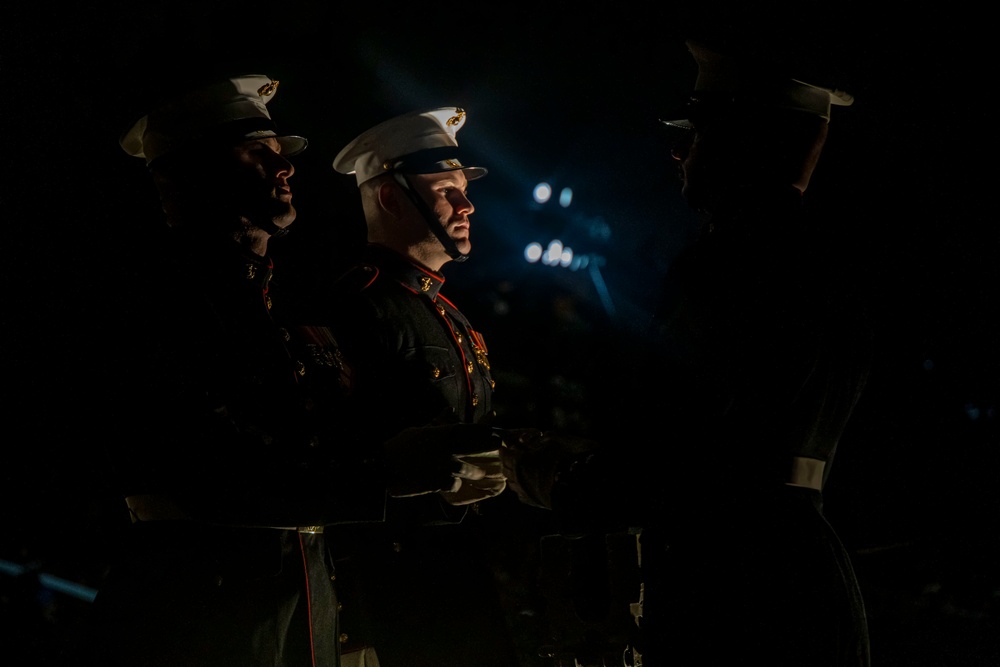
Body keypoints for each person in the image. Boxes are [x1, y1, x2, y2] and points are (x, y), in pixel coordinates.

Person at [87, 76, 503, 667]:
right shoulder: (159, 302)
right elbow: (202, 470)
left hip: (294, 605)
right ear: (181, 180)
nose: (282, 167)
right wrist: (383, 473)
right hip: (204, 612)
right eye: (256, 152)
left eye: (279, 152)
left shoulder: (266, 300)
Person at [500, 37, 874, 666]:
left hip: (736, 587)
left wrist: (556, 479)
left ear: (742, 142)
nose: (677, 153)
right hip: (806, 569)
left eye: (697, 135)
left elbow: (678, 449)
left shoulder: (731, 263)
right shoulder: (830, 261)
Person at [316, 107, 519, 667]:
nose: (467, 204)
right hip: (392, 593)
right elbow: (331, 454)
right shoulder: (357, 305)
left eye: (463, 189)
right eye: (446, 190)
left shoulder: (444, 311)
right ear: (388, 198)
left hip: (455, 582)